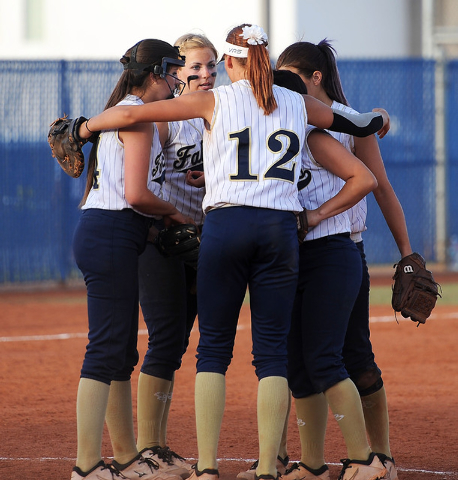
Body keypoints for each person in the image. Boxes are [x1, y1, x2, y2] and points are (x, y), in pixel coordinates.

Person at [77, 23, 388, 480]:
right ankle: (268, 467)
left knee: (212, 352)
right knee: (275, 357)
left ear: (229, 62)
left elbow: (130, 116)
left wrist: (85, 127)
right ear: (267, 59)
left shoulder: (214, 100)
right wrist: (379, 117)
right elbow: (359, 124)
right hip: (280, 230)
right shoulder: (298, 103)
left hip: (225, 226)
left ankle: (206, 468)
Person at [276, 39, 411, 480]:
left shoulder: (350, 124)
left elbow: (382, 187)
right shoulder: (288, 116)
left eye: (294, 76)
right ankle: (309, 462)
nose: (286, 85)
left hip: (342, 247)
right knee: (296, 357)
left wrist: (407, 254)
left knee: (353, 356)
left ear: (316, 77)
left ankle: (381, 457)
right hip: (296, 251)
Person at [70, 39, 194, 480]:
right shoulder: (138, 118)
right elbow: (138, 194)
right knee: (105, 350)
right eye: (174, 71)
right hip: (112, 232)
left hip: (114, 232)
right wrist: (176, 212)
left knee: (121, 351)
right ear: (156, 73)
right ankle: (86, 465)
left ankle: (125, 457)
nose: (179, 78)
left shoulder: (128, 110)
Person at [134, 33, 218, 479]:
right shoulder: (168, 119)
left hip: (208, 243)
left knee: (185, 343)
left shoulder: (221, 110)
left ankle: (158, 446)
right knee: (166, 339)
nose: (205, 75)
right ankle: (148, 447)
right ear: (176, 72)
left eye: (211, 67)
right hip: (165, 242)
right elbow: (145, 179)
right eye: (194, 68)